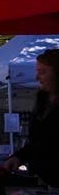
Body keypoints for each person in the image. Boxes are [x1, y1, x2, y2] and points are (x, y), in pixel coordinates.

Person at [6, 49, 59, 186]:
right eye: (37, 72)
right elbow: (37, 142)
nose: (37, 77)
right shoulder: (42, 102)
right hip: (42, 180)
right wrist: (19, 157)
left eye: (43, 72)